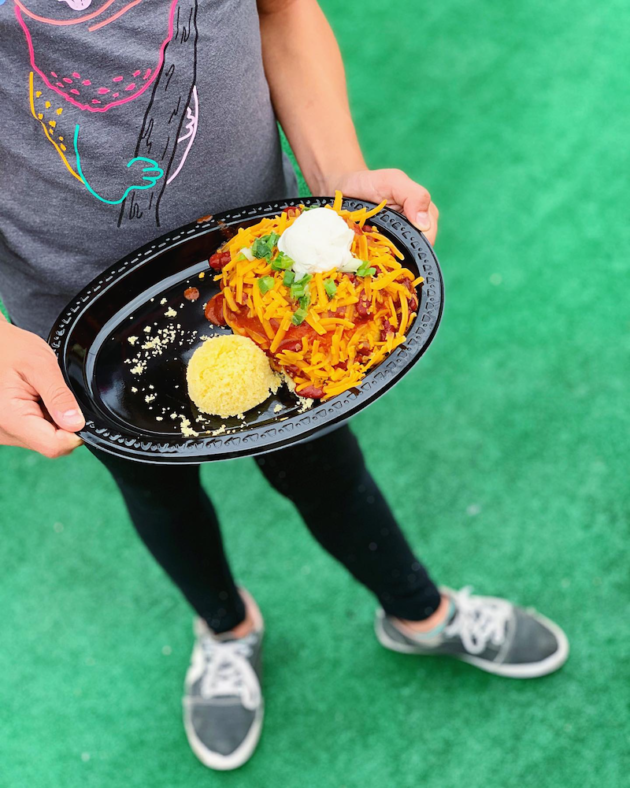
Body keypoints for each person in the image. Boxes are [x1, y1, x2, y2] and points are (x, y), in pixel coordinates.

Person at [0, 0, 569, 771]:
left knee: (323, 463)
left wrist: (342, 186)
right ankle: (226, 629)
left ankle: (418, 612)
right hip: (77, 323)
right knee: (157, 491)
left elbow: (283, 12)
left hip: (271, 274)